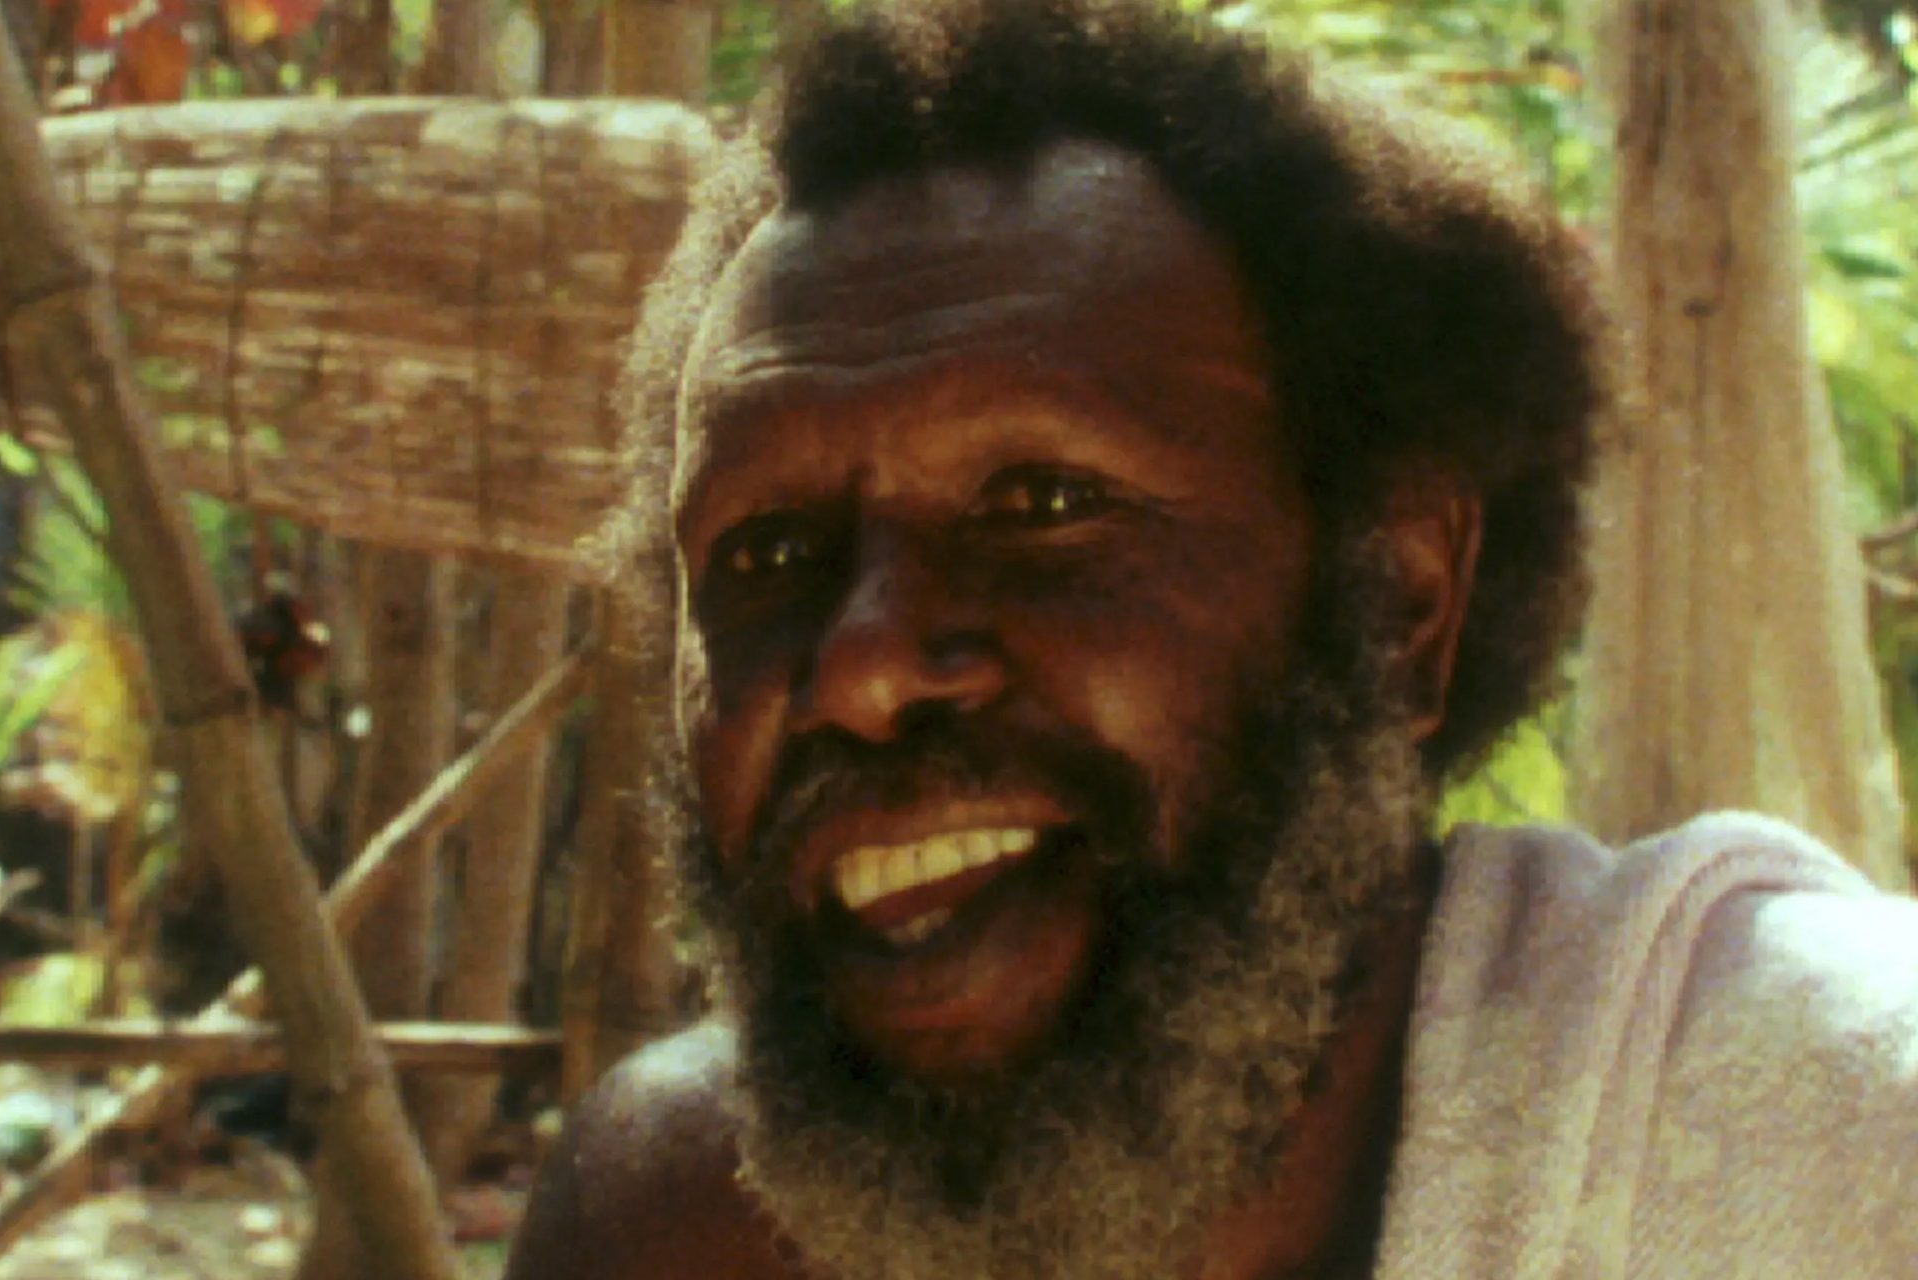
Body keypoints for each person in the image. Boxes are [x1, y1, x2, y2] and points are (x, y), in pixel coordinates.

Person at [505, 2, 1918, 1276]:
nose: (862, 668)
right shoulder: (679, 1234)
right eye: (766, 556)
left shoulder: (1849, 1135)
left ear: (1401, 601)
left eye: (1042, 504)